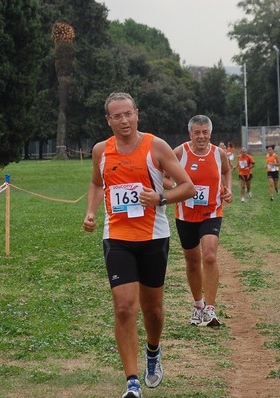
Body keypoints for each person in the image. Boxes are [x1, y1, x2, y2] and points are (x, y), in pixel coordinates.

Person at [83, 92, 195, 398]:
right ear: (108, 120)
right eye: (116, 116)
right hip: (117, 237)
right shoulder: (100, 151)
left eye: (128, 114)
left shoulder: (155, 146)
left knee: (153, 310)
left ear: (137, 114)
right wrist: (91, 212)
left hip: (153, 237)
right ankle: (132, 382)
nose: (123, 120)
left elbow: (188, 187)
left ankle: (153, 351)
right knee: (123, 308)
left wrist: (160, 197)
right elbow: (96, 182)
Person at [167, 116, 233, 327]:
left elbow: (226, 170)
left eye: (205, 132)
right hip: (185, 215)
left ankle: (210, 309)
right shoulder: (179, 153)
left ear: (210, 134)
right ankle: (198, 305)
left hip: (212, 211)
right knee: (193, 261)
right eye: (197, 132)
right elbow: (162, 176)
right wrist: (179, 187)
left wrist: (227, 188)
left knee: (210, 256)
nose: (201, 136)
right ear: (190, 134)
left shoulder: (218, 153)